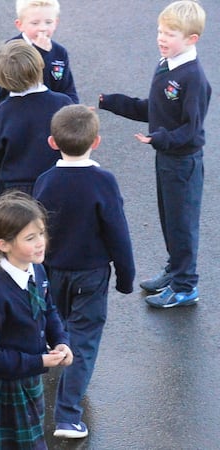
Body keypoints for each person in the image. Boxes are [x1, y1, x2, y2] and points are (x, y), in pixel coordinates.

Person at [33, 105, 136, 439]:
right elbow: (117, 231)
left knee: (58, 328)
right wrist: (125, 275)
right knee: (84, 340)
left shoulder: (45, 181)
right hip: (91, 274)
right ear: (97, 141)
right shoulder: (103, 181)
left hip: (54, 270)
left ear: (52, 142)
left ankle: (51, 373)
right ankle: (67, 415)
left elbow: (38, 232)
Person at [99, 0, 210, 309]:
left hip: (182, 162)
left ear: (191, 39)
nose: (162, 38)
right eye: (160, 31)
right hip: (166, 157)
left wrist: (159, 138)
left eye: (171, 34)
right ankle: (176, 271)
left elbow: (192, 130)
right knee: (168, 219)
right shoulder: (166, 65)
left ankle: (186, 285)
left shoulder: (193, 78)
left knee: (182, 224)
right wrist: (112, 102)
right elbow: (154, 108)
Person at [0, 191, 72, 449]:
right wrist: (37, 361)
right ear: (4, 244)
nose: (41, 243)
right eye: (30, 238)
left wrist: (60, 341)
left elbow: (48, 310)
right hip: (5, 389)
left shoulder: (36, 268)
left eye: (41, 234)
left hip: (28, 381)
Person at [0, 40, 73, 199]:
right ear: (40, 66)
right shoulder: (62, 103)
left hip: (15, 190)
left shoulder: (3, 112)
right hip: (55, 183)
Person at [0, 0, 78, 111]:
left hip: (52, 115)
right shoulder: (10, 51)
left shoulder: (60, 52)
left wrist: (74, 110)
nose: (42, 28)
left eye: (48, 22)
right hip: (20, 114)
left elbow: (68, 89)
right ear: (20, 25)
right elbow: (12, 88)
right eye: (35, 23)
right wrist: (40, 53)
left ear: (56, 23)